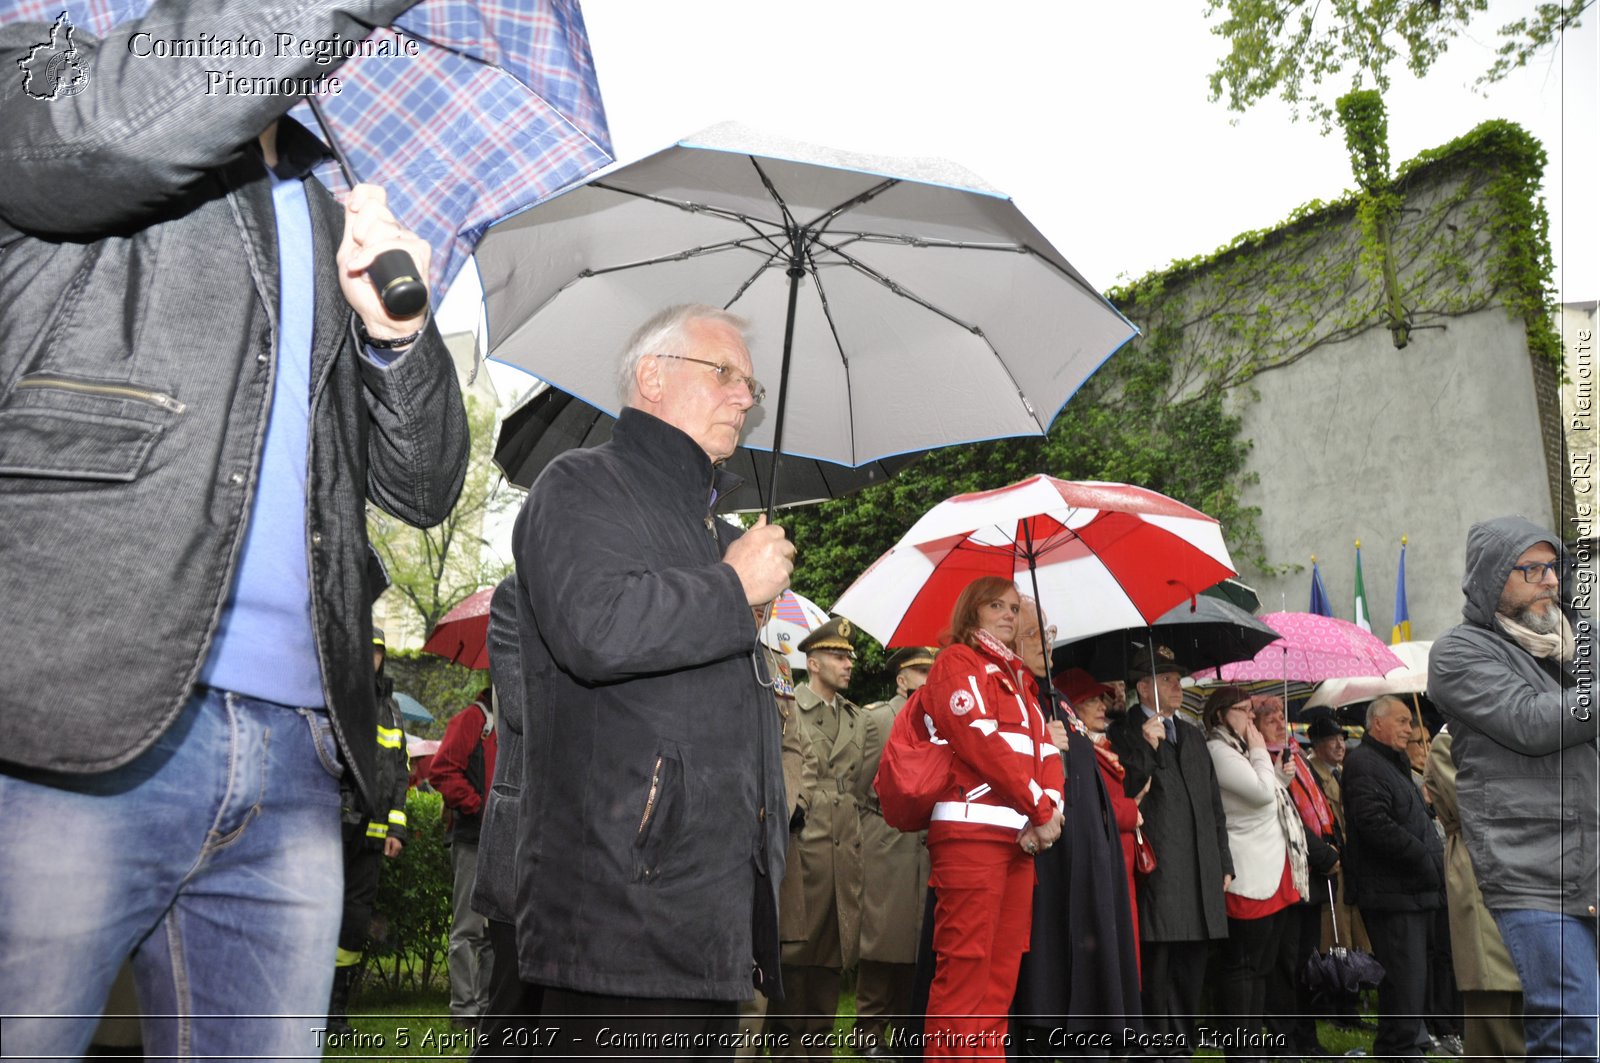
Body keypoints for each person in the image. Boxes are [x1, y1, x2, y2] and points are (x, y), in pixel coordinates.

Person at [0, 3, 470, 1057]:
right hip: (62, 719)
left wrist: (398, 340)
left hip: (297, 751)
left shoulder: (323, 192)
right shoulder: (42, 71)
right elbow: (115, 137)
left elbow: (424, 482)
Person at [510, 304, 793, 1054]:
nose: (743, 396)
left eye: (751, 385)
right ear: (652, 376)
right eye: (725, 373)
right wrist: (731, 592)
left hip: (712, 922)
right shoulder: (579, 486)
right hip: (617, 913)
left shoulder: (719, 536)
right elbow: (595, 629)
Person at [1428, 516, 1599, 1063]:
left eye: (1554, 567)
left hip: (1591, 858)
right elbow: (1530, 721)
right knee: (1573, 1027)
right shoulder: (1460, 653)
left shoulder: (1575, 645)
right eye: (1531, 569)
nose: (1549, 580)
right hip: (1532, 868)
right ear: (1491, 579)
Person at [918, 577, 1064, 1060]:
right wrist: (1041, 810)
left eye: (1014, 607)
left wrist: (1051, 815)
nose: (1008, 614)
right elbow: (979, 740)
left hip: (1019, 844)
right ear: (971, 612)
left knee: (1000, 977)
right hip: (970, 838)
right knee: (964, 974)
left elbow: (1047, 752)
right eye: (995, 605)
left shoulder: (1022, 680)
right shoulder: (956, 663)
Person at [1012, 606, 1142, 1051]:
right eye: (1035, 633)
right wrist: (1037, 741)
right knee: (1038, 986)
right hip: (1035, 858)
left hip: (1082, 858)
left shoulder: (1057, 700)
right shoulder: (1010, 696)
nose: (1047, 642)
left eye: (1048, 632)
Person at [1106, 647, 1234, 1056]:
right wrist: (1145, 747)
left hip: (1199, 869)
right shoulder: (1123, 732)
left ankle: (1181, 1044)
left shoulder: (1193, 734)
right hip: (1158, 869)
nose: (1177, 685)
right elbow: (1123, 795)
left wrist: (1223, 860)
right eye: (1166, 679)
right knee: (1157, 964)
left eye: (1178, 678)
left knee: (1193, 963)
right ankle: (1153, 1045)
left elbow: (1214, 805)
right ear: (1143, 688)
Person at [769, 617, 865, 1058]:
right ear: (813, 662)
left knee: (833, 951)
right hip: (803, 839)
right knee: (795, 951)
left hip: (844, 842)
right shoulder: (788, 704)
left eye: (849, 657)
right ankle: (788, 1046)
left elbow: (862, 782)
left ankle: (820, 1046)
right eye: (838, 656)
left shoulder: (855, 718)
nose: (848, 664)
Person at [1202, 687, 1308, 1056]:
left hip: (1271, 868)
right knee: (1242, 969)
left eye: (1251, 710)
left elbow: (1265, 791)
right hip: (1247, 874)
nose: (1251, 718)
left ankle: (1254, 1047)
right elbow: (1261, 794)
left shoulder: (1243, 749)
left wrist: (1279, 776)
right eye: (1243, 711)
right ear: (1219, 715)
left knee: (1262, 968)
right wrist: (1262, 750)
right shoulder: (1218, 750)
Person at [1342, 695, 1446, 1060]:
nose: (1410, 729)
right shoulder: (1363, 763)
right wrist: (1422, 858)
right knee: (1404, 977)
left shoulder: (1391, 763)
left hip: (1411, 890)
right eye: (1402, 722)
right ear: (1377, 724)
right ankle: (1400, 1048)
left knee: (1410, 977)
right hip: (1391, 892)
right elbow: (1375, 824)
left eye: (1409, 721)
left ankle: (1401, 1043)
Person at [738, 624, 820, 1059]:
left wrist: (782, 808)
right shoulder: (696, 646)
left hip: (763, 842)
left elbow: (794, 745)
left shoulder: (777, 665)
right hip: (709, 836)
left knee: (756, 973)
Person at [471, 577, 546, 1058]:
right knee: (511, 1020)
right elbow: (523, 709)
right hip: (524, 853)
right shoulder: (518, 596)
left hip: (592, 855)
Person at [1423, 725, 1526, 1060]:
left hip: (1522, 869)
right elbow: (1475, 803)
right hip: (1477, 866)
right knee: (1491, 988)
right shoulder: (1448, 740)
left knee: (1523, 990)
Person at [853, 645, 936, 1058]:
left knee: (917, 942)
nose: (927, 677)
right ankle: (868, 1031)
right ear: (901, 679)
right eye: (920, 671)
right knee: (881, 940)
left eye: (932, 671)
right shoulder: (878, 719)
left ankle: (905, 1032)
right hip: (885, 839)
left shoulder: (940, 721)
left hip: (925, 845)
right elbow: (858, 782)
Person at [328, 626, 412, 1037]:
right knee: (321, 912)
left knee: (355, 921)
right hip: (333, 826)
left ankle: (336, 1011)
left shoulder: (393, 710)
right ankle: (308, 1001)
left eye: (377, 652)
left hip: (374, 832)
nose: (372, 659)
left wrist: (397, 828)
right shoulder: (336, 696)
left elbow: (400, 775)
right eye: (366, 651)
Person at [1253, 694, 1339, 1058]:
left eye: (1280, 715)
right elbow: (1287, 817)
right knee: (1284, 963)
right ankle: (1282, 1037)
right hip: (1288, 871)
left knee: (1305, 960)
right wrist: (1325, 856)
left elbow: (1317, 808)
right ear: (1254, 725)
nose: (1277, 721)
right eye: (1268, 716)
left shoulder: (1294, 756)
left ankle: (1305, 1034)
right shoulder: (1263, 762)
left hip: (1311, 874)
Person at [1056, 666, 1147, 980]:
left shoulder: (1100, 747)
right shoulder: (1077, 750)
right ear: (1073, 706)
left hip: (1118, 862)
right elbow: (1093, 804)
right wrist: (1130, 812)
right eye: (1092, 700)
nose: (1102, 706)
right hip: (1104, 861)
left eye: (1101, 700)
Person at [433, 688, 499, 1028]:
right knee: (468, 930)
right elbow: (441, 770)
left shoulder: (510, 720)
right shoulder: (473, 719)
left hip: (502, 842)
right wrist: (476, 806)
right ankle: (464, 1010)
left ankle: (487, 1009)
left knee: (494, 934)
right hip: (474, 839)